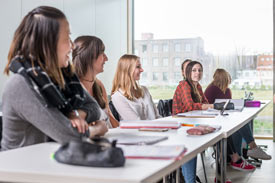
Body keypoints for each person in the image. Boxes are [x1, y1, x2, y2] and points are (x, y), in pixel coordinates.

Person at [1, 6, 108, 151]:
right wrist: (97, 129)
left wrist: (74, 114)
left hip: (49, 163)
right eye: (66, 38)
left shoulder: (65, 77)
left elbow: (94, 107)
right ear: (48, 43)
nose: (71, 46)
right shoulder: (21, 84)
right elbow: (67, 135)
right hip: (20, 169)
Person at [204, 69, 271, 161]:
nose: (230, 80)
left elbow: (228, 106)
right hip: (213, 120)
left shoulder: (227, 90)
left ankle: (241, 155)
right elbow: (207, 106)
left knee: (239, 124)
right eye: (228, 77)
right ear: (224, 78)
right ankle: (251, 148)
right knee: (239, 123)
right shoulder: (212, 89)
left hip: (223, 118)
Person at [172, 61, 213, 183]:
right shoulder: (184, 85)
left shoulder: (197, 86)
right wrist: (206, 106)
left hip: (192, 122)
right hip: (181, 126)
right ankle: (190, 181)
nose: (197, 73)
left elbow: (205, 103)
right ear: (188, 72)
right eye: (194, 70)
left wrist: (206, 106)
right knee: (191, 145)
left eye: (200, 70)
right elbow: (190, 106)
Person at [72, 35, 119, 128]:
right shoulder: (72, 87)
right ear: (89, 56)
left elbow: (109, 117)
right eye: (102, 53)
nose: (106, 58)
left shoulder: (99, 85)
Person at [111, 54, 161, 120]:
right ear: (127, 70)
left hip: (156, 129)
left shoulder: (144, 90)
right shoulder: (118, 97)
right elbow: (136, 122)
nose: (142, 70)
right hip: (138, 130)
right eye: (138, 67)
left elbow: (157, 117)